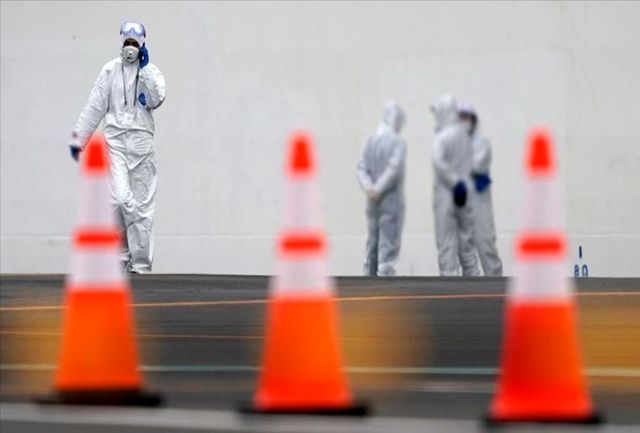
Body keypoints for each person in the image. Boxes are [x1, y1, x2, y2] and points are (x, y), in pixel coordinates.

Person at [68, 22, 166, 273]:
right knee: (119, 201)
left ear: (142, 44)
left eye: (135, 43)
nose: (130, 47)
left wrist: (145, 70)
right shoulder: (110, 71)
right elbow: (95, 105)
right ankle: (121, 255)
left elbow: (157, 98)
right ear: (121, 43)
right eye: (127, 42)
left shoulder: (151, 72)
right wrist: (80, 138)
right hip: (116, 144)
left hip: (142, 145)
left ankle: (141, 265)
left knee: (142, 208)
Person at [431, 94, 480, 276]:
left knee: (447, 244)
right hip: (466, 196)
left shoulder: (442, 138)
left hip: (447, 195)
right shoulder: (466, 136)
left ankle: (449, 284)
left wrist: (454, 182)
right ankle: (475, 283)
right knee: (467, 245)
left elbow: (438, 162)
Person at [357, 101, 407, 276]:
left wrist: (369, 188)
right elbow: (394, 169)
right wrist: (379, 189)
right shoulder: (398, 142)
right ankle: (384, 282)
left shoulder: (369, 140)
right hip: (389, 200)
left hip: (372, 200)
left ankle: (368, 279)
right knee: (388, 244)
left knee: (372, 241)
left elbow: (361, 168)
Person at [459, 104, 503, 276]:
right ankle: (470, 286)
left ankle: (496, 285)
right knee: (465, 251)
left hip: (479, 203)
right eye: (460, 118)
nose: (463, 122)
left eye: (466, 117)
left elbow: (476, 166)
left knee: (486, 245)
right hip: (462, 204)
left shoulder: (481, 142)